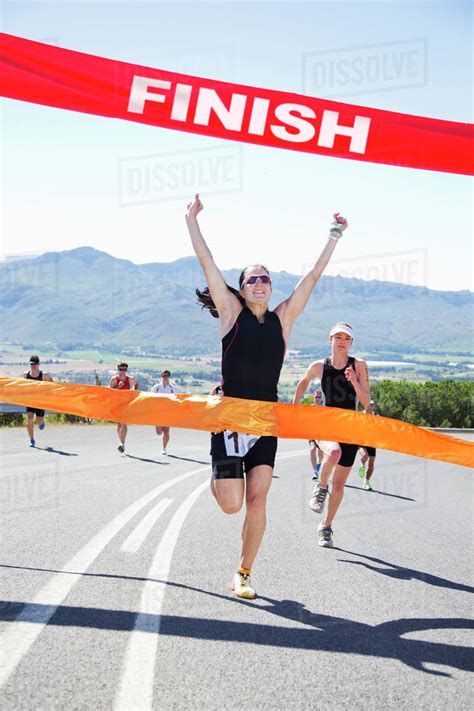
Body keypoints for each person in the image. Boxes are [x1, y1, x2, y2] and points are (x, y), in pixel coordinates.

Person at [186, 192, 348, 598]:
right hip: (228, 420)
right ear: (241, 290)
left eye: (265, 278)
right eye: (252, 279)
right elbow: (207, 263)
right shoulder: (231, 314)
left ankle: (244, 572)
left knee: (257, 502)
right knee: (230, 505)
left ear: (271, 287)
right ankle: (220, 477)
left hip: (264, 423)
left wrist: (333, 236)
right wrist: (192, 221)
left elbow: (311, 278)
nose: (260, 283)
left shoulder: (283, 319)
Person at [293, 323, 370, 548]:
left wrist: (354, 380)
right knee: (333, 452)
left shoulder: (359, 365)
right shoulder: (319, 366)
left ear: (351, 343)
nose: (342, 341)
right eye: (338, 337)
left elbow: (366, 403)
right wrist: (293, 409)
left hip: (351, 428)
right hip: (325, 424)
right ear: (330, 340)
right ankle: (320, 487)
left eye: (347, 338)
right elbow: (303, 382)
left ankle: (326, 526)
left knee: (340, 485)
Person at [109, 363, 138, 453]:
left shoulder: (130, 379)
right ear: (118, 369)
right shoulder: (114, 379)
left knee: (123, 423)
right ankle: (122, 442)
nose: (122, 371)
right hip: (117, 404)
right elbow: (110, 392)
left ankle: (122, 444)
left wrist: (134, 392)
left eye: (124, 369)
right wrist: (118, 387)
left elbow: (136, 384)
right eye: (120, 369)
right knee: (119, 425)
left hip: (126, 404)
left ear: (126, 370)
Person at [24, 355, 53, 447]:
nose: (33, 366)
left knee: (39, 422)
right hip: (30, 401)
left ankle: (41, 421)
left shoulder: (44, 375)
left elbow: (53, 384)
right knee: (29, 418)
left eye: (35, 364)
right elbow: (20, 387)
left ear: (38, 364)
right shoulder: (26, 375)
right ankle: (31, 439)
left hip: (40, 402)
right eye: (31, 364)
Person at [150, 370, 179, 455]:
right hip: (158, 412)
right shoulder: (157, 387)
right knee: (159, 432)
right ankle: (160, 428)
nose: (165, 377)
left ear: (169, 376)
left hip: (168, 412)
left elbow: (178, 399)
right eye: (163, 375)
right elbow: (150, 398)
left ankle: (164, 448)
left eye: (166, 375)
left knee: (166, 431)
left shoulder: (173, 388)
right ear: (161, 376)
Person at [358, 399, 377, 490]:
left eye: (372, 405)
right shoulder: (360, 415)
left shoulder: (376, 416)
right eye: (368, 404)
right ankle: (362, 465)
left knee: (371, 463)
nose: (370, 406)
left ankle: (367, 482)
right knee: (365, 456)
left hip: (372, 442)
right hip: (361, 441)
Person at [309, 391, 324, 480]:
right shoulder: (310, 408)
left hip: (322, 434)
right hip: (311, 434)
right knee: (312, 449)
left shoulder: (324, 408)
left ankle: (318, 467)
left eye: (319, 397)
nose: (317, 399)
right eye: (316, 397)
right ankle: (315, 471)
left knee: (320, 454)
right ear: (313, 398)